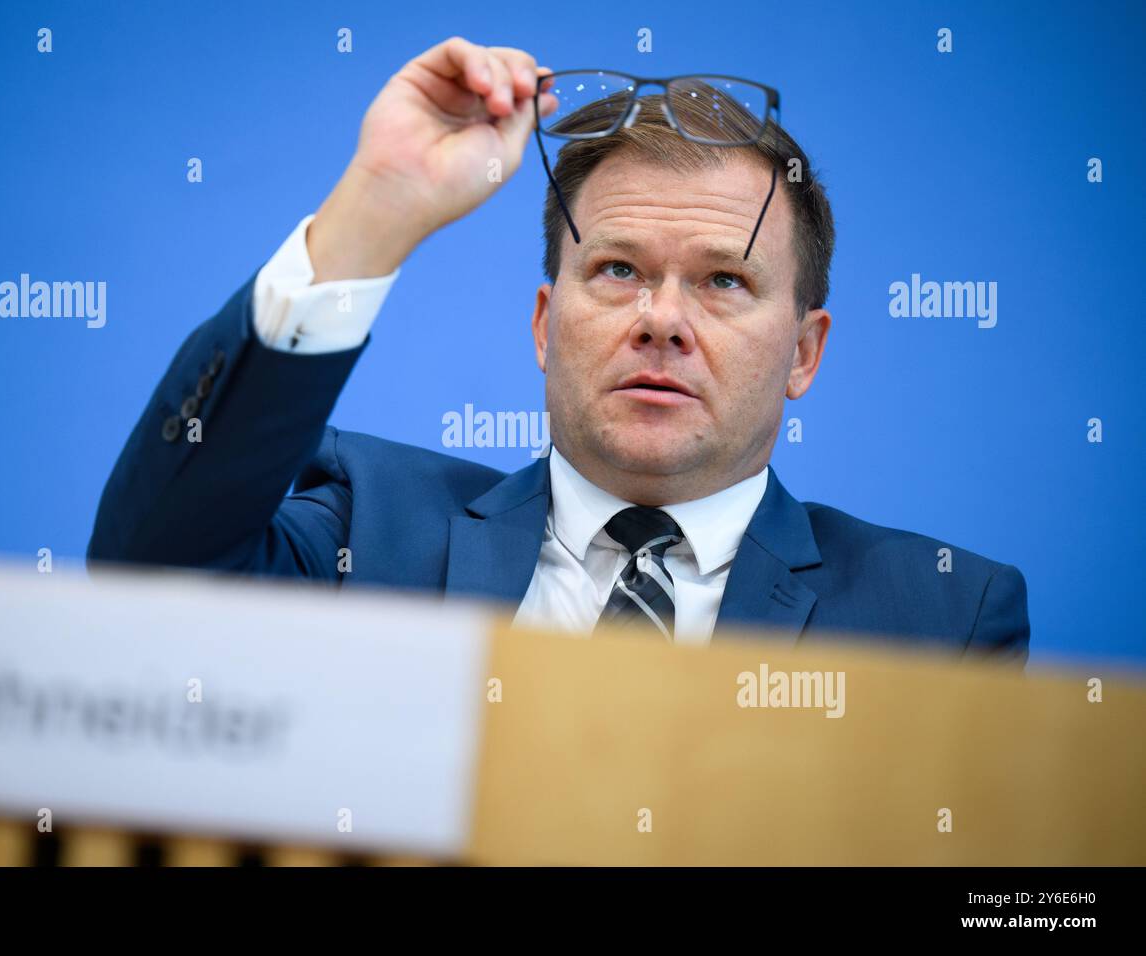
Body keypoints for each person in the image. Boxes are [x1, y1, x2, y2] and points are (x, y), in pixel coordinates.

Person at [88, 37, 1028, 661]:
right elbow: (150, 582)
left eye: (724, 281)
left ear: (804, 353)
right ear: (546, 323)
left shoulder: (941, 616)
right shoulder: (368, 532)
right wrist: (373, 211)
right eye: (618, 270)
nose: (662, 319)